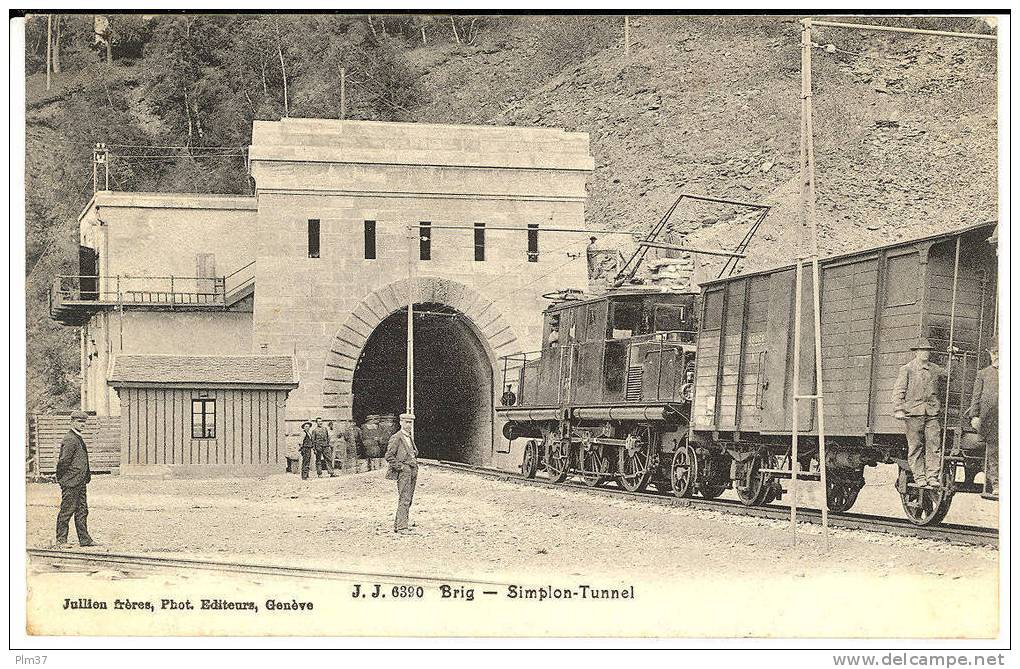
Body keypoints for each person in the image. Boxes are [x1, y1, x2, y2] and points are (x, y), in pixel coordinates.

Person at [892, 340, 947, 488]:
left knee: (934, 445)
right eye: (922, 350)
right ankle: (920, 477)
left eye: (927, 351)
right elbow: (899, 390)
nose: (925, 353)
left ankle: (932, 477)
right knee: (916, 446)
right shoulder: (907, 369)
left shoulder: (934, 369)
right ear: (916, 352)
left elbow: (948, 374)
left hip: (931, 413)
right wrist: (898, 409)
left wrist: (953, 357)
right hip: (913, 413)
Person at [55, 410, 96, 547]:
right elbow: (63, 462)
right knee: (67, 511)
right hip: (71, 482)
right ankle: (61, 540)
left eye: (84, 422)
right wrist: (62, 479)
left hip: (81, 481)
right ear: (72, 422)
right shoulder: (70, 439)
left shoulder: (77, 437)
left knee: (82, 511)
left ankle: (85, 540)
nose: (82, 424)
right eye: (79, 422)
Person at [966, 344, 999, 498]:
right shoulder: (983, 374)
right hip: (990, 421)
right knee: (993, 452)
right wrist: (974, 416)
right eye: (994, 353)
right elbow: (976, 397)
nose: (997, 356)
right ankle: (997, 485)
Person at [385, 413, 419, 534]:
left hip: (412, 470)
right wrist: (400, 467)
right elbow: (388, 456)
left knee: (408, 498)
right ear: (401, 423)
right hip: (404, 471)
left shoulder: (409, 437)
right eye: (406, 422)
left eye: (410, 422)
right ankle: (402, 527)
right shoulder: (397, 437)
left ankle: (398, 524)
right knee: (404, 498)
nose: (409, 425)